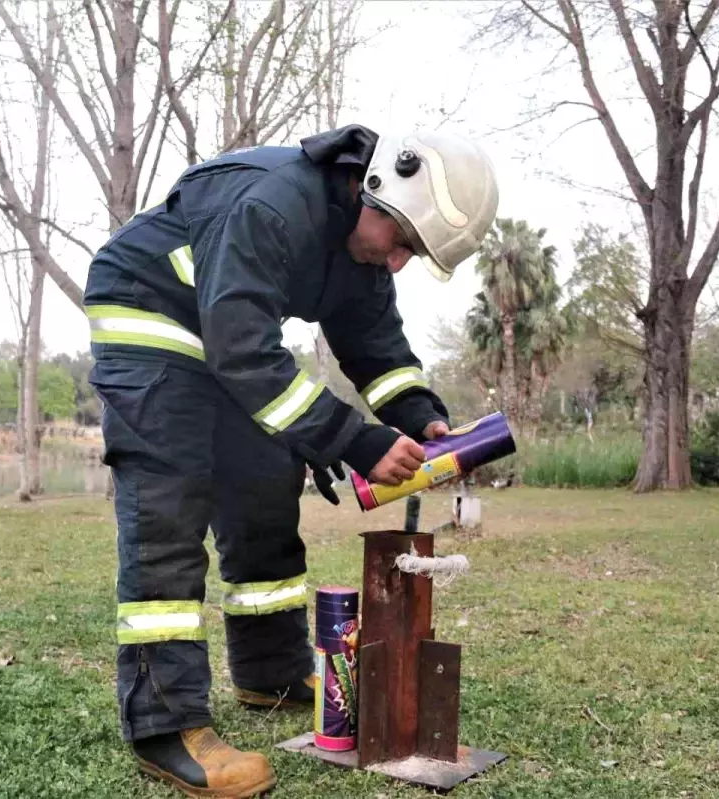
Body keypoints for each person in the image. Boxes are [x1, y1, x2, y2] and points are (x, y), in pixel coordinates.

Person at [84, 123, 498, 797]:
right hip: (150, 318)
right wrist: (355, 441)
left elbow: (375, 346)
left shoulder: (360, 252)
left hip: (222, 333)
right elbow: (243, 352)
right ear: (377, 191)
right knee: (172, 498)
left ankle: (269, 671)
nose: (398, 263)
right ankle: (165, 723)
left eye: (414, 255)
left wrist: (421, 414)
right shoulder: (272, 206)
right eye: (402, 243)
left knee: (266, 478)